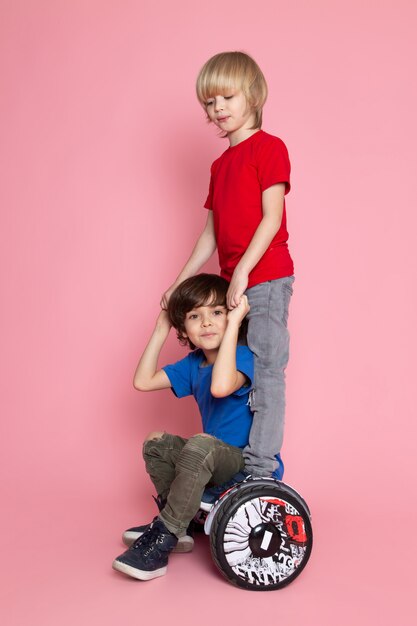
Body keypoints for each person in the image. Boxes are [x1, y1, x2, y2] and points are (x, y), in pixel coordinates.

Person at [161, 51, 294, 479]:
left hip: (267, 279)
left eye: (226, 98)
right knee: (234, 370)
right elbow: (210, 235)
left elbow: (271, 218)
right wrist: (178, 285)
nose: (217, 109)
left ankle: (259, 468)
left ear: (253, 96)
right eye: (209, 102)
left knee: (267, 373)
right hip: (232, 286)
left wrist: (240, 273)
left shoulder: (269, 148)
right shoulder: (220, 165)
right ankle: (231, 465)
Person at [112, 274, 252, 581]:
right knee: (157, 441)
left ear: (232, 315)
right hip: (206, 457)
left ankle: (164, 536)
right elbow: (143, 381)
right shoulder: (193, 365)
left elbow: (220, 387)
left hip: (241, 464)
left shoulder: (243, 356)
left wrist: (234, 325)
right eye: (194, 316)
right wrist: (162, 326)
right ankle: (180, 524)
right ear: (184, 328)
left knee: (201, 443)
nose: (206, 323)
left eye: (217, 312)